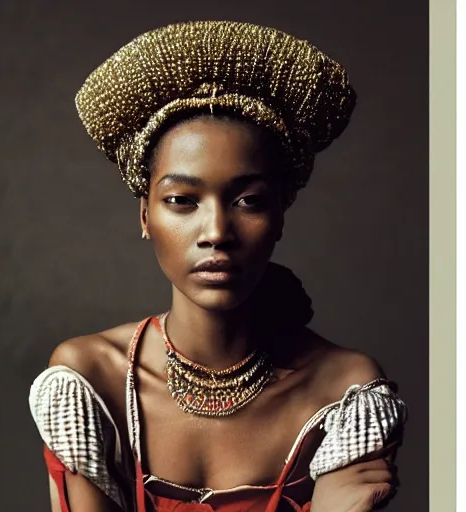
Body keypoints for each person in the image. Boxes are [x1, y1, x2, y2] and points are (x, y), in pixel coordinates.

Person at [29, 21, 407, 512]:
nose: (216, 232)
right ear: (146, 215)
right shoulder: (89, 380)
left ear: (279, 216)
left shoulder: (344, 394)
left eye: (248, 200)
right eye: (182, 200)